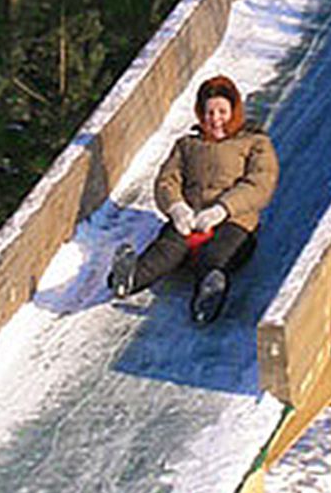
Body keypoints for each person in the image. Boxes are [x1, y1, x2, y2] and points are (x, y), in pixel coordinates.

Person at [107, 75, 279, 327]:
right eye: (209, 112)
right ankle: (128, 279)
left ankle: (207, 297)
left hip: (234, 223)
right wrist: (177, 208)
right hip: (189, 219)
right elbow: (167, 180)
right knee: (166, 251)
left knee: (216, 256)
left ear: (234, 111)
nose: (215, 119)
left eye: (222, 112)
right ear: (200, 113)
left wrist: (222, 209)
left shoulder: (254, 143)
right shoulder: (187, 145)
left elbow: (260, 183)